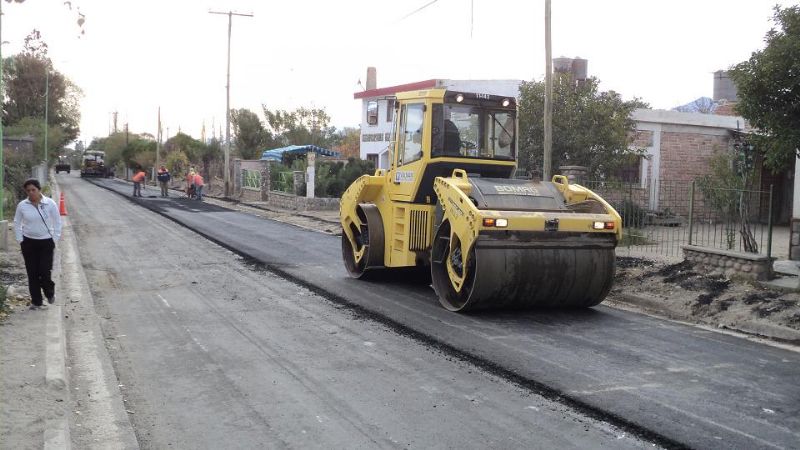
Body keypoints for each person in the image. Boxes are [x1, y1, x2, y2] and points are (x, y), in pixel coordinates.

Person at [14, 179, 62, 310]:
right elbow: (17, 223)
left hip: (46, 242)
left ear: (39, 190)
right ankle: (36, 301)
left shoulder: (49, 203)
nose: (31, 193)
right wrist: (20, 240)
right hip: (28, 242)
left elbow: (57, 221)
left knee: (44, 271)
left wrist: (55, 238)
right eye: (28, 190)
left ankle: (49, 293)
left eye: (33, 190)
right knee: (32, 273)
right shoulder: (22, 205)